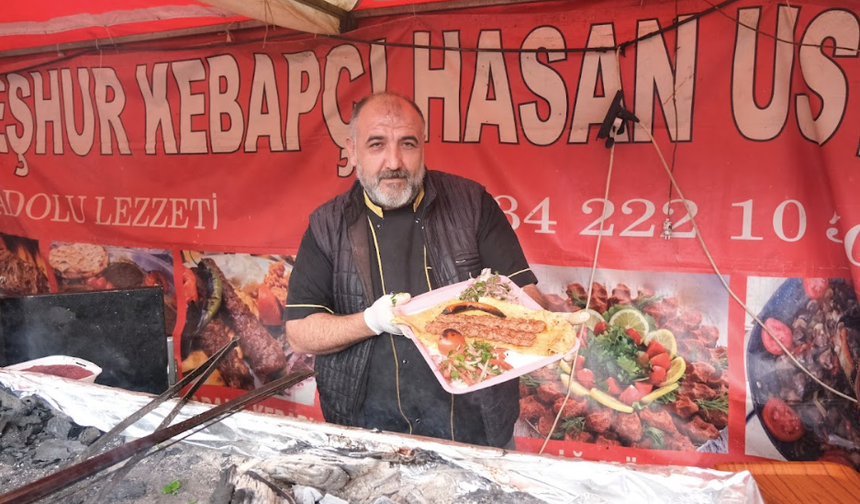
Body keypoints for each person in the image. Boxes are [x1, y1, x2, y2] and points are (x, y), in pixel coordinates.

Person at [285, 92, 548, 448]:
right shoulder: (327, 226)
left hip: (475, 435)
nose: (394, 161)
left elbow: (532, 303)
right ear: (351, 150)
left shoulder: (472, 204)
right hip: (365, 435)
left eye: (407, 143)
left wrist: (499, 305)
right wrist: (371, 321)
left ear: (423, 145)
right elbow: (300, 332)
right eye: (376, 144)